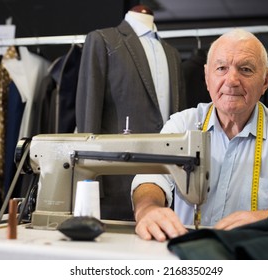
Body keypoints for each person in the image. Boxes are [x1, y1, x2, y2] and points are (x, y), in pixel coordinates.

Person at [131, 28, 268, 242]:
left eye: (246, 69)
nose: (231, 80)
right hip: (190, 252)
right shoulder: (183, 125)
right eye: (221, 68)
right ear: (206, 77)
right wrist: (148, 208)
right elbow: (151, 177)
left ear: (265, 80)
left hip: (253, 255)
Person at [75, 5, 186, 221]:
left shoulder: (172, 54)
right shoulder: (102, 40)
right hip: (116, 181)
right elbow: (88, 117)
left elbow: (178, 119)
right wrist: (91, 184)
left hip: (167, 185)